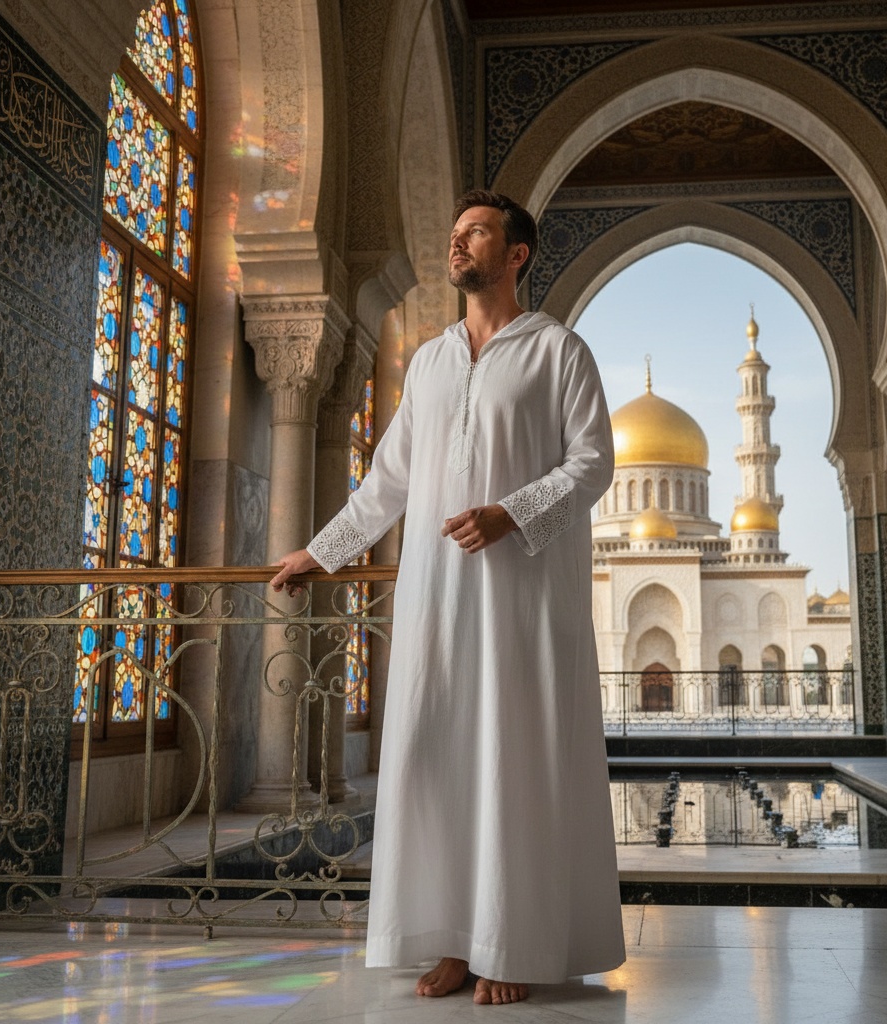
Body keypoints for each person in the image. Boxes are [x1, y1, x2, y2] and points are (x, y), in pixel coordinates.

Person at [271, 189, 625, 1005]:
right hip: (437, 606)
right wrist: (321, 553)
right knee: (439, 761)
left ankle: (516, 944)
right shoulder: (430, 362)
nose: (457, 244)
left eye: (476, 234)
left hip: (522, 604)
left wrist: (512, 512)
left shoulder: (558, 352)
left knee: (516, 760)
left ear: (516, 255)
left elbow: (593, 462)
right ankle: (455, 941)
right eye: (455, 233)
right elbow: (387, 483)